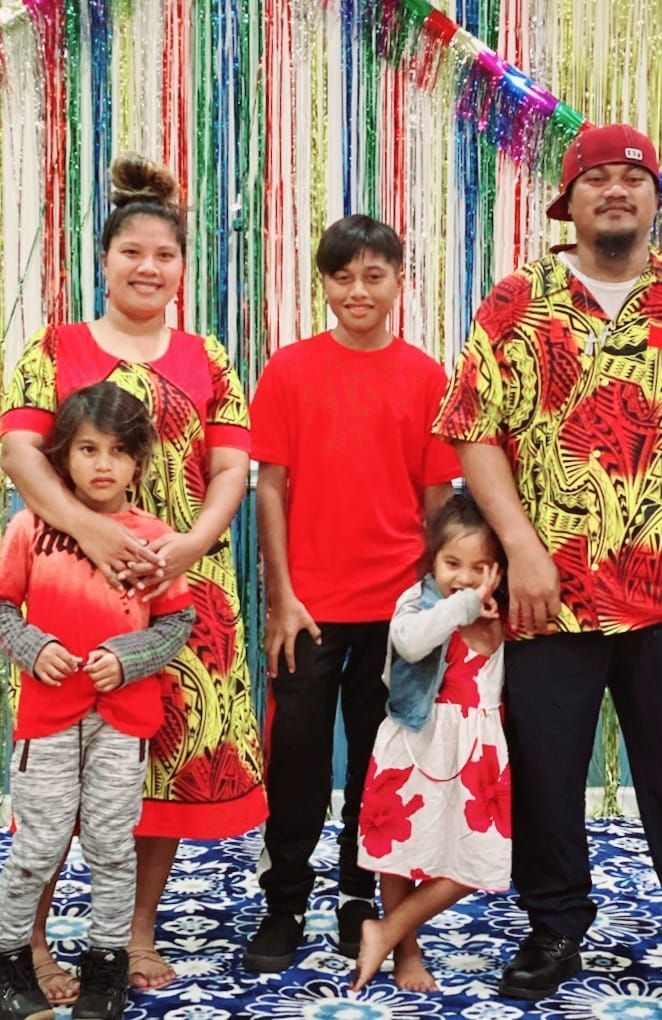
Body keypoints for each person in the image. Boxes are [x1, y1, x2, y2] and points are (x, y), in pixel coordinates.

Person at [433, 123, 662, 1014]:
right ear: (567, 200)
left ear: (655, 200)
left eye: (632, 178)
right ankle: (552, 930)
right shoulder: (516, 301)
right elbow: (473, 430)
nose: (614, 191)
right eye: (596, 179)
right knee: (545, 771)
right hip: (551, 595)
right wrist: (524, 550)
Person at [0, 152, 266, 1001]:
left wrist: (188, 544)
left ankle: (131, 934)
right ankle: (30, 943)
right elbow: (17, 452)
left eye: (164, 255)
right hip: (67, 594)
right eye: (132, 253)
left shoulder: (209, 355)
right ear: (104, 262)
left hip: (181, 600)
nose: (148, 268)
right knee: (57, 783)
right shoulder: (55, 349)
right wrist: (86, 529)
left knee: (162, 768)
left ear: (181, 268)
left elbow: (231, 470)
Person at [246, 214, 460, 972]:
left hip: (398, 612)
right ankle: (285, 903)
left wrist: (431, 606)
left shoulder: (425, 376)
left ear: (400, 282)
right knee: (297, 760)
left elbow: (437, 504)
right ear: (324, 283)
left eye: (375, 275)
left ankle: (356, 897)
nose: (358, 290)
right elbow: (268, 488)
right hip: (306, 609)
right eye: (343, 276)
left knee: (379, 764)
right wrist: (281, 598)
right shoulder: (289, 370)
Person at [0, 383, 195, 1020]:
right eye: (87, 449)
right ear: (63, 456)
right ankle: (11, 963)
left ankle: (105, 966)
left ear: (138, 461)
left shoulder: (154, 539)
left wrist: (128, 658)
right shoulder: (31, 527)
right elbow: (3, 609)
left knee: (113, 844)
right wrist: (32, 646)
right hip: (48, 718)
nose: (103, 464)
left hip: (123, 722)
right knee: (38, 846)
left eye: (117, 450)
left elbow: (175, 625)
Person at [351, 493, 510, 993]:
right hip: (417, 738)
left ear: (499, 569)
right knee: (401, 850)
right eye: (451, 563)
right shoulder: (419, 602)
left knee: (480, 860)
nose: (463, 577)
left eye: (479, 566)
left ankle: (386, 928)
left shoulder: (504, 610)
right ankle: (407, 952)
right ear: (432, 561)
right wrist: (461, 605)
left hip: (478, 749)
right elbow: (411, 642)